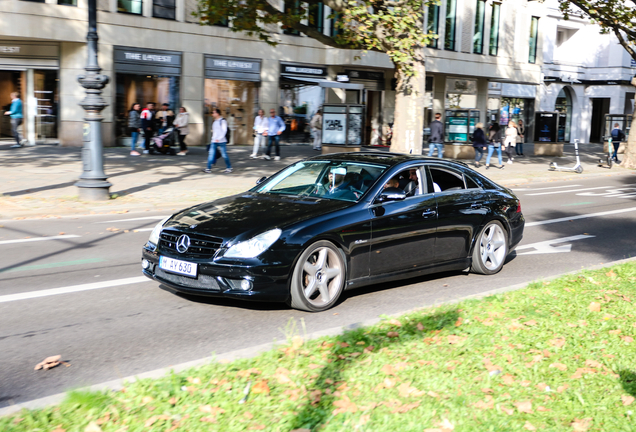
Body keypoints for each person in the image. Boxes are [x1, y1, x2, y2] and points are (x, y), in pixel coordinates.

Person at [203, 108, 232, 173]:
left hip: (222, 141)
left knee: (224, 155)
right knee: (211, 154)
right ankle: (208, 168)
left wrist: (218, 139)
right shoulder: (215, 122)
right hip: (214, 141)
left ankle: (229, 168)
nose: (212, 114)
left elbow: (224, 131)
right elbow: (214, 132)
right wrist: (213, 139)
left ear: (217, 113)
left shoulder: (223, 121)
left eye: (213, 113)